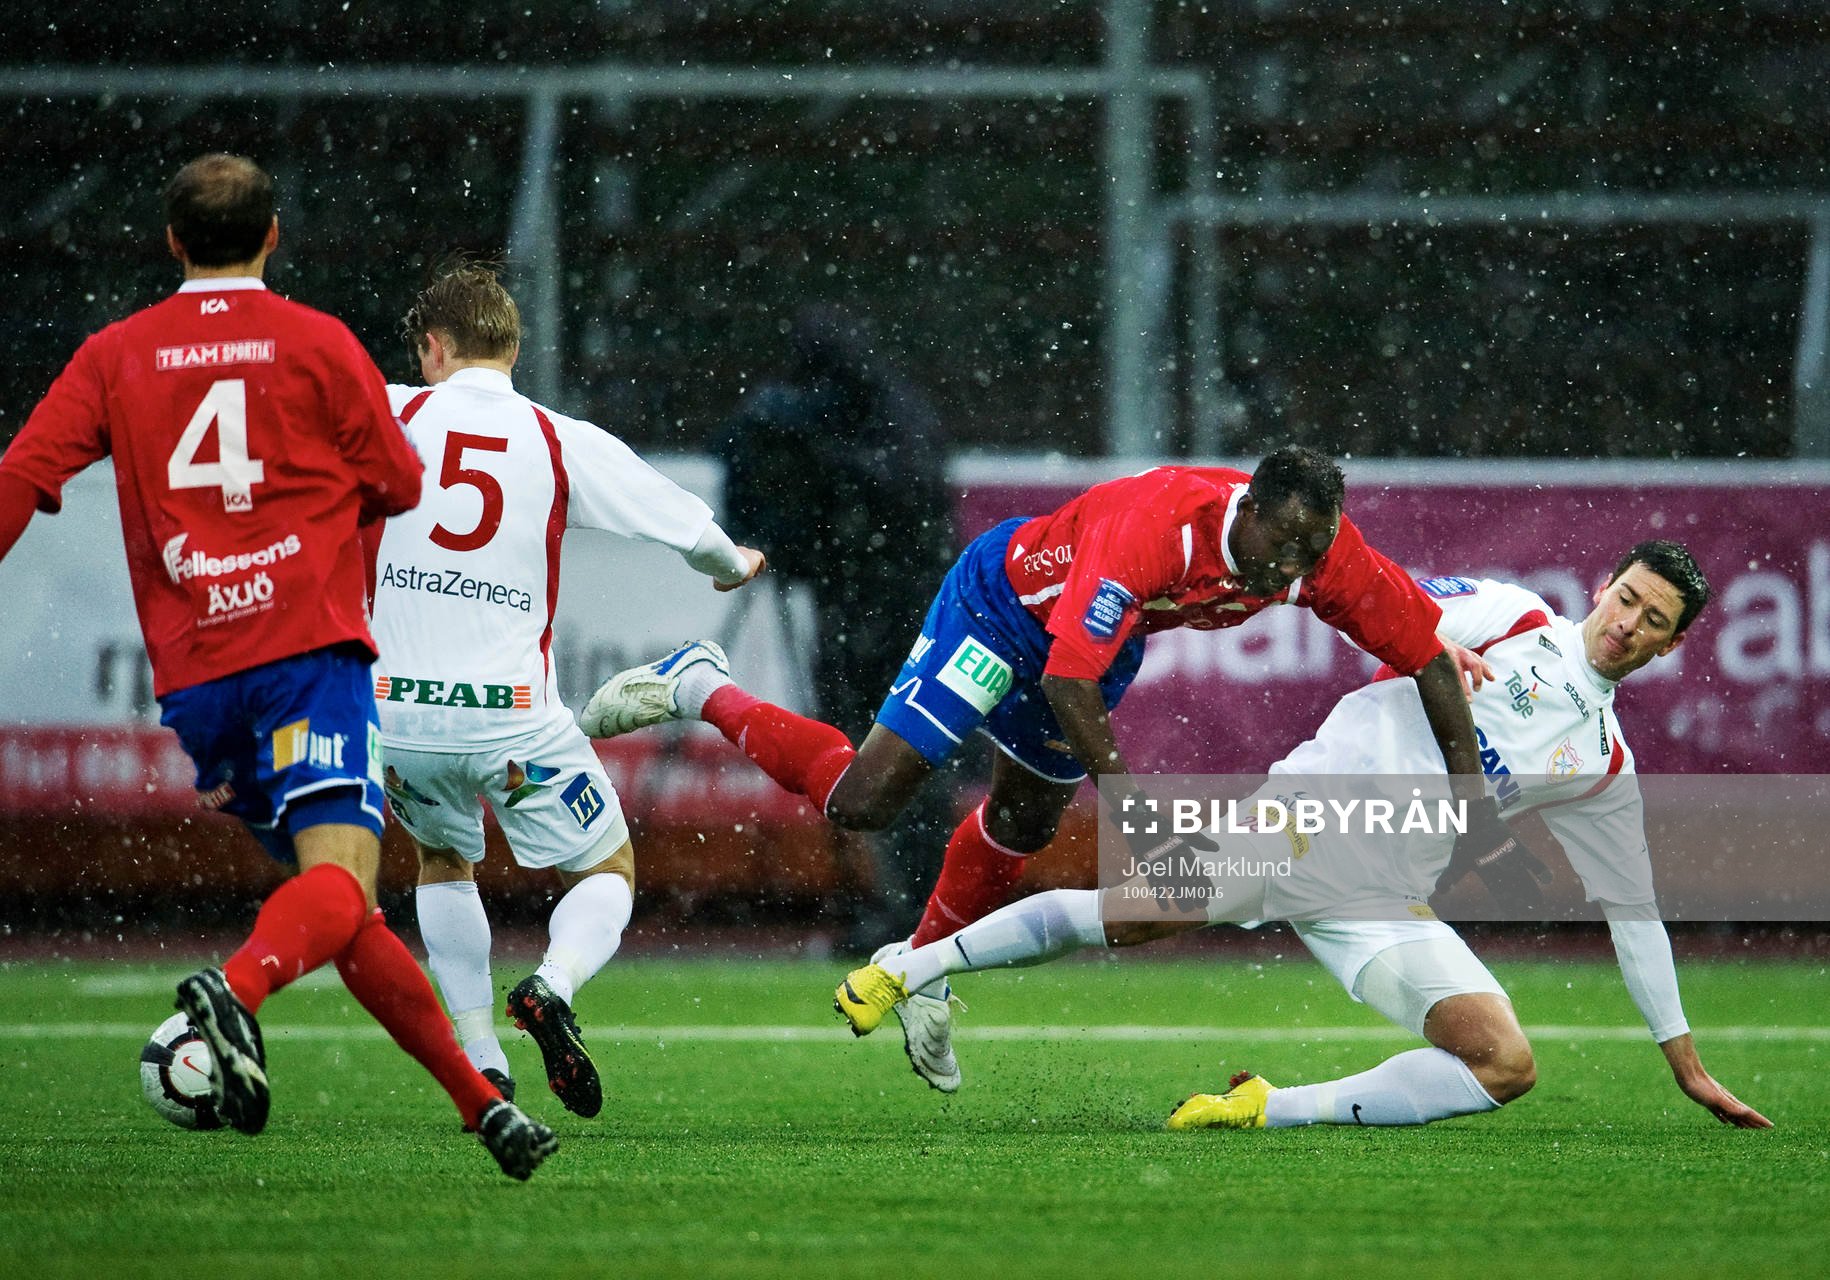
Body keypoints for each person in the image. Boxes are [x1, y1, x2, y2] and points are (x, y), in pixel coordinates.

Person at [584, 446, 1497, 1092]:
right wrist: (1138, 815)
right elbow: (1067, 679)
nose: (1289, 575)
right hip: (1003, 615)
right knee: (866, 800)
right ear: (1248, 510)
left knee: (1022, 824)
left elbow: (1424, 651)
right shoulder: (1156, 526)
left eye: (1310, 555)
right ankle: (702, 686)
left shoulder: (1313, 552)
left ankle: (920, 968)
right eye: (1280, 548)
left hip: (1099, 646)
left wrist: (1467, 793)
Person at [0, 154, 558, 1178]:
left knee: (333, 896)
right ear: (273, 236)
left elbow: (23, 477)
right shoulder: (316, 342)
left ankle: (483, 1106)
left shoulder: (114, 356)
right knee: (340, 885)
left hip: (200, 678)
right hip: (308, 652)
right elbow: (396, 479)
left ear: (173, 243)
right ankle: (237, 990)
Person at [832, 542, 1772, 1131]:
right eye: (1626, 599)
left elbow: (1634, 917)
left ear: (1670, 646)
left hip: (1385, 896)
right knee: (1137, 920)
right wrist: (1433, 640)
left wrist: (1684, 1062)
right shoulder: (1515, 614)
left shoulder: (1606, 764)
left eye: (1654, 620)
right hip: (1314, 819)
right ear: (1602, 588)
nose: (1628, 623)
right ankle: (904, 970)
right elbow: (1395, 605)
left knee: (1504, 1064)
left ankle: (1262, 1108)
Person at [371, 260, 763, 1118]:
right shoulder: (552, 437)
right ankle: (551, 985)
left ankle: (480, 1060)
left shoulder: (389, 412)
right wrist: (733, 563)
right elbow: (680, 522)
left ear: (431, 349)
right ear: (511, 348)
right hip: (511, 718)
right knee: (606, 867)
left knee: (443, 860)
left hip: (397, 713)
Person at [720, 304, 957, 950]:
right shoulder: (851, 414)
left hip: (901, 602)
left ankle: (916, 903)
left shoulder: (885, 416)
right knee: (855, 746)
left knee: (905, 756)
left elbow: (907, 488)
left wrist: (820, 454)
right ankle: (882, 896)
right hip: (852, 596)